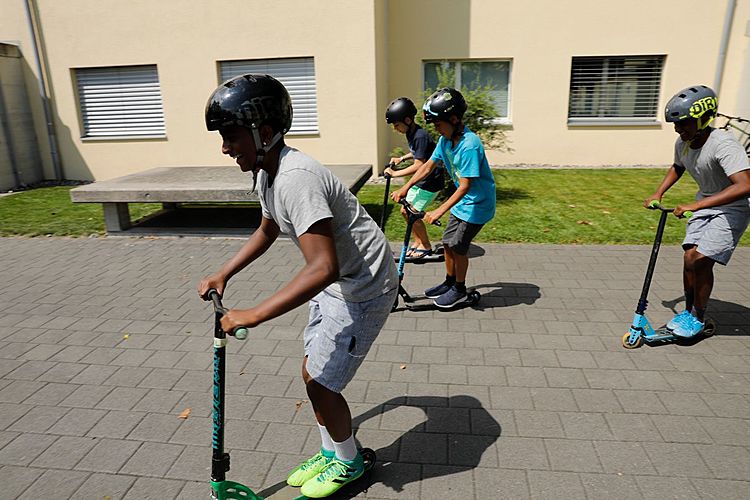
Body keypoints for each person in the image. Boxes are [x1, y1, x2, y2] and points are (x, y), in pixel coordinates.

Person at [198, 74, 398, 498]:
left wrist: (254, 313)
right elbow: (269, 228)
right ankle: (333, 451)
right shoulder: (267, 172)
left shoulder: (295, 178)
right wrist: (224, 273)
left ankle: (350, 463)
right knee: (312, 372)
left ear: (264, 133)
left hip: (363, 286)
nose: (225, 147)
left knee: (322, 383)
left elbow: (322, 267)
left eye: (231, 136)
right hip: (341, 280)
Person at [644, 84, 750, 337]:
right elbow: (677, 167)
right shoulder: (683, 142)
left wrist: (696, 205)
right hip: (705, 202)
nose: (679, 130)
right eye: (676, 125)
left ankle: (698, 318)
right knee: (690, 257)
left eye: (684, 124)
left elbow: (745, 185)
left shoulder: (723, 144)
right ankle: (689, 312)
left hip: (732, 207)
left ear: (704, 119)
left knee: (702, 261)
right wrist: (658, 193)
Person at [391, 87, 496, 308]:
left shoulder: (469, 145)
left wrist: (440, 210)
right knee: (447, 243)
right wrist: (406, 187)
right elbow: (428, 166)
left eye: (439, 124)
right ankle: (449, 282)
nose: (436, 130)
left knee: (458, 246)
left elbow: (465, 186)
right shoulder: (445, 141)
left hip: (478, 205)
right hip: (464, 202)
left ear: (454, 119)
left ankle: (459, 289)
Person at [384, 97, 442, 258]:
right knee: (405, 211)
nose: (395, 129)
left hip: (430, 182)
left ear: (407, 120)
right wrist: (401, 159)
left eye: (396, 125)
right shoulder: (412, 133)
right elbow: (418, 152)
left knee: (413, 212)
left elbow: (419, 165)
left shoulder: (420, 135)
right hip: (422, 181)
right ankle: (418, 241)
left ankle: (426, 246)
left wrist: (395, 173)